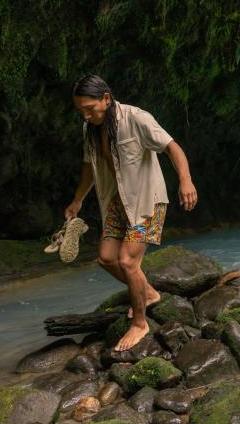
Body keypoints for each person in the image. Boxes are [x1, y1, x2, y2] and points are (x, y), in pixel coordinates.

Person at [65, 75, 197, 351]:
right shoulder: (89, 128)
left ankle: (140, 323)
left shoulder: (137, 118)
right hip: (117, 201)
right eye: (81, 110)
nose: (86, 115)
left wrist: (185, 180)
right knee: (106, 258)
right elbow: (89, 167)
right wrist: (77, 200)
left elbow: (172, 147)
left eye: (90, 108)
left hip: (148, 202)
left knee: (127, 262)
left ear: (106, 98)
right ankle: (148, 293)